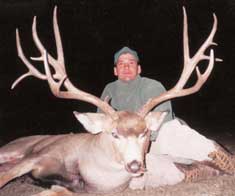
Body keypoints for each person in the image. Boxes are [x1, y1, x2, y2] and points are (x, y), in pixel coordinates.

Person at [98, 46, 173, 123]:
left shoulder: (153, 86)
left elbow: (165, 122)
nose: (126, 67)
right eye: (121, 63)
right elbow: (100, 121)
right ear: (115, 71)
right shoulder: (109, 89)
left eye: (131, 63)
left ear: (139, 69)